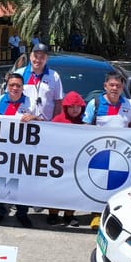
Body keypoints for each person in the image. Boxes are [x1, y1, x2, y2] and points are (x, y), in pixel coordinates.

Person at [0, 72, 36, 228]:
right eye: (12, 85)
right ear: (7, 86)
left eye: (18, 85)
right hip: (1, 149)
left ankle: (22, 213)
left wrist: (34, 118)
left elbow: (42, 122)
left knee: (21, 182)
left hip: (22, 150)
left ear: (23, 87)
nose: (15, 88)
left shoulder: (30, 102)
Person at [50, 90, 86, 226]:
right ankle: (53, 214)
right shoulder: (57, 120)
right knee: (56, 190)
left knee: (73, 190)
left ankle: (69, 215)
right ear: (66, 107)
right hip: (58, 162)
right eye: (72, 106)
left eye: (78, 106)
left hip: (75, 163)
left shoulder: (84, 123)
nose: (75, 109)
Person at [20, 43, 64, 121]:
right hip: (23, 124)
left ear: (47, 59)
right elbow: (10, 98)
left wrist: (55, 123)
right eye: (35, 56)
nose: (37, 60)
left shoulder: (54, 76)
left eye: (42, 57)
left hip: (46, 126)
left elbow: (58, 103)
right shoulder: (20, 74)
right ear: (30, 57)